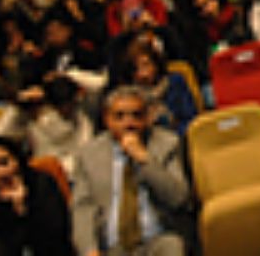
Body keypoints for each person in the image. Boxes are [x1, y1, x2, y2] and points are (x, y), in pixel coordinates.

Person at [71, 85, 192, 256]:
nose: (129, 124)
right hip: (113, 248)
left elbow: (179, 198)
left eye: (136, 116)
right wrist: (89, 250)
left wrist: (145, 160)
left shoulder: (167, 144)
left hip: (158, 240)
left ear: (148, 118)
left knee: (173, 247)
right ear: (107, 119)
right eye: (119, 116)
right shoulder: (89, 154)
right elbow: (82, 208)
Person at [0, 134, 75, 256]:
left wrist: (23, 210)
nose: (2, 173)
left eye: (4, 162)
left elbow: (57, 237)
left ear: (17, 160)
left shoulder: (41, 183)